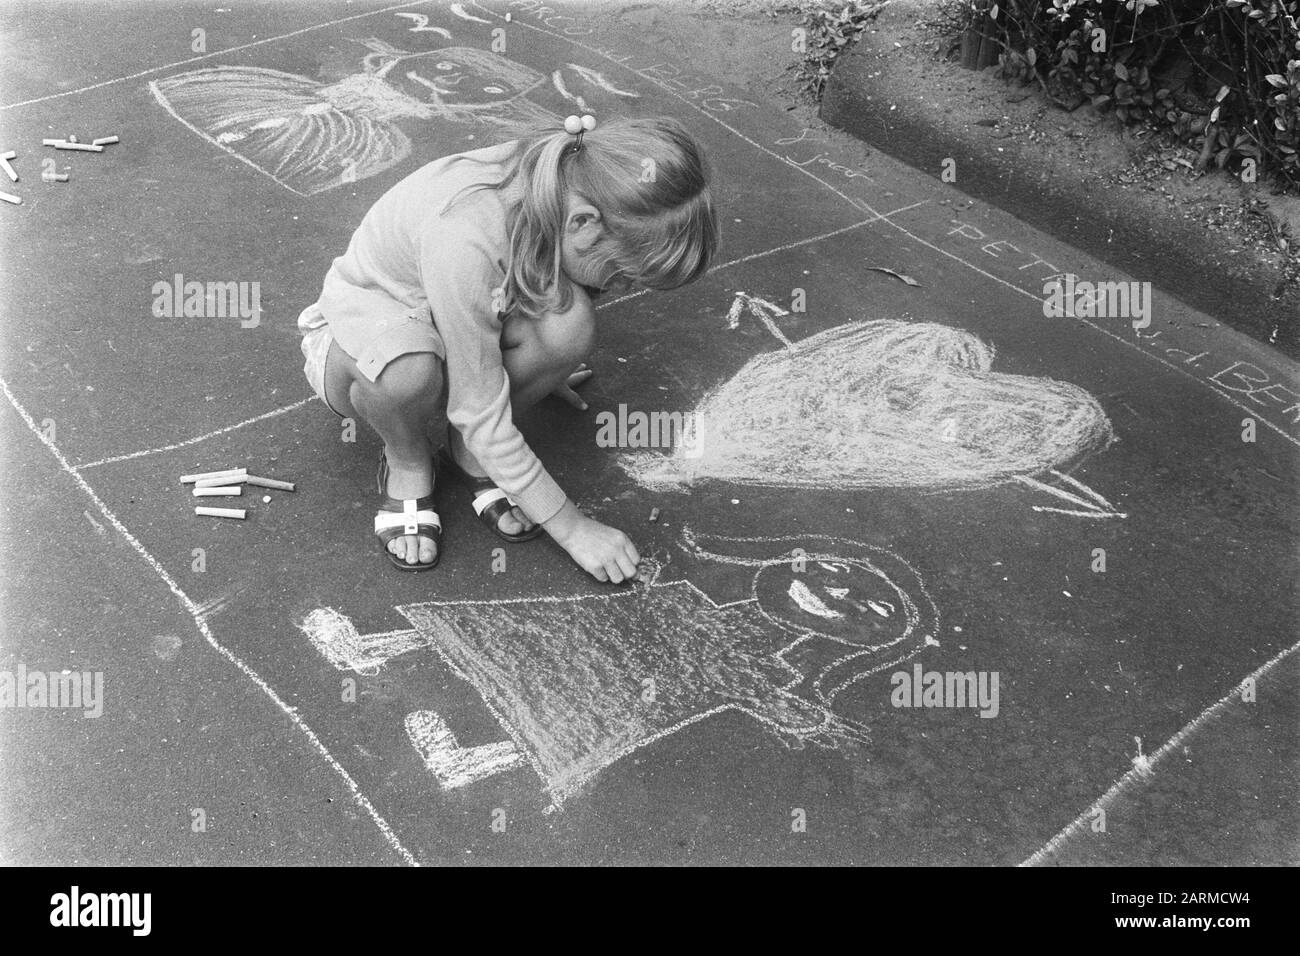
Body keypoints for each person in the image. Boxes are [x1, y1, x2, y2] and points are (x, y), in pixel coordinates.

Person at [298, 114, 719, 580]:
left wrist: (542, 366)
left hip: (452, 318)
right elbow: (478, 405)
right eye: (620, 274)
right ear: (584, 223)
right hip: (354, 342)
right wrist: (572, 528)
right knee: (407, 372)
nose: (617, 288)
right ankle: (408, 458)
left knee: (570, 323)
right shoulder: (467, 234)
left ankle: (469, 454)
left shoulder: (570, 173)